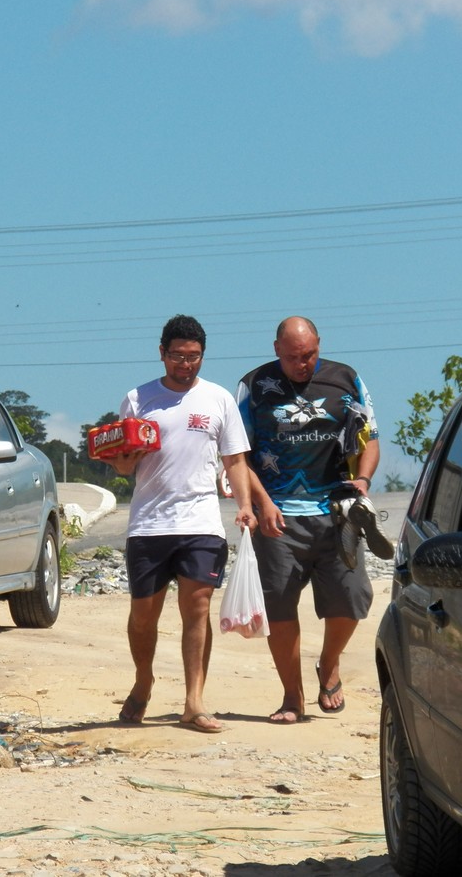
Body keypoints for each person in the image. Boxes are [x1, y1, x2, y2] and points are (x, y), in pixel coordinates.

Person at [106, 314, 257, 734]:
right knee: (143, 615)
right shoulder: (138, 398)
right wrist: (126, 460)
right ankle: (143, 681)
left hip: (201, 521)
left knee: (198, 607)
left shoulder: (218, 399)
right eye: (177, 356)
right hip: (149, 523)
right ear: (162, 353)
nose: (185, 364)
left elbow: (235, 460)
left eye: (193, 357)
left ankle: (194, 702)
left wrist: (245, 505)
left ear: (202, 356)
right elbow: (121, 466)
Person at [237, 316, 390, 724]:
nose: (301, 364)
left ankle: (330, 662)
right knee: (279, 606)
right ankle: (292, 698)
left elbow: (371, 439)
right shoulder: (253, 386)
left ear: (320, 344)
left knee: (353, 597)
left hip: (337, 512)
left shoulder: (346, 379)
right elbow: (238, 456)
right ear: (276, 350)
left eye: (309, 355)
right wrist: (261, 503)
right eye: (292, 357)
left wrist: (363, 480)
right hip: (277, 516)